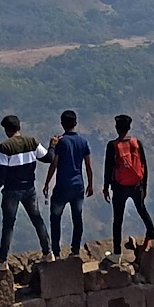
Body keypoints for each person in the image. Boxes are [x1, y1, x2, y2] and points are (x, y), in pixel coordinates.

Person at [0, 114, 53, 266]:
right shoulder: (32, 142)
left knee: (8, 224)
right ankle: (48, 252)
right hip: (29, 188)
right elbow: (48, 158)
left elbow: (0, 173)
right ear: (19, 127)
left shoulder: (5, 146)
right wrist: (53, 145)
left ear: (7, 130)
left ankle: (2, 260)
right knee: (37, 220)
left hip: (12, 190)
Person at [101, 113, 154, 259]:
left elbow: (108, 168)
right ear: (129, 127)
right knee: (142, 210)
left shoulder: (112, 145)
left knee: (118, 220)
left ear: (116, 128)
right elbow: (144, 165)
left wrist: (106, 186)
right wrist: (144, 185)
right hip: (136, 184)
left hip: (119, 187)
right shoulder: (136, 143)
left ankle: (117, 253)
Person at [42, 109, 94, 257]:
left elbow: (54, 164)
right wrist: (90, 184)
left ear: (62, 124)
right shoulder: (83, 142)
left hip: (62, 187)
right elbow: (88, 166)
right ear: (75, 123)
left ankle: (56, 253)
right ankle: (75, 250)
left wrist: (47, 183)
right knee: (77, 218)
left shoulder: (61, 142)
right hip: (78, 186)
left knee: (55, 217)